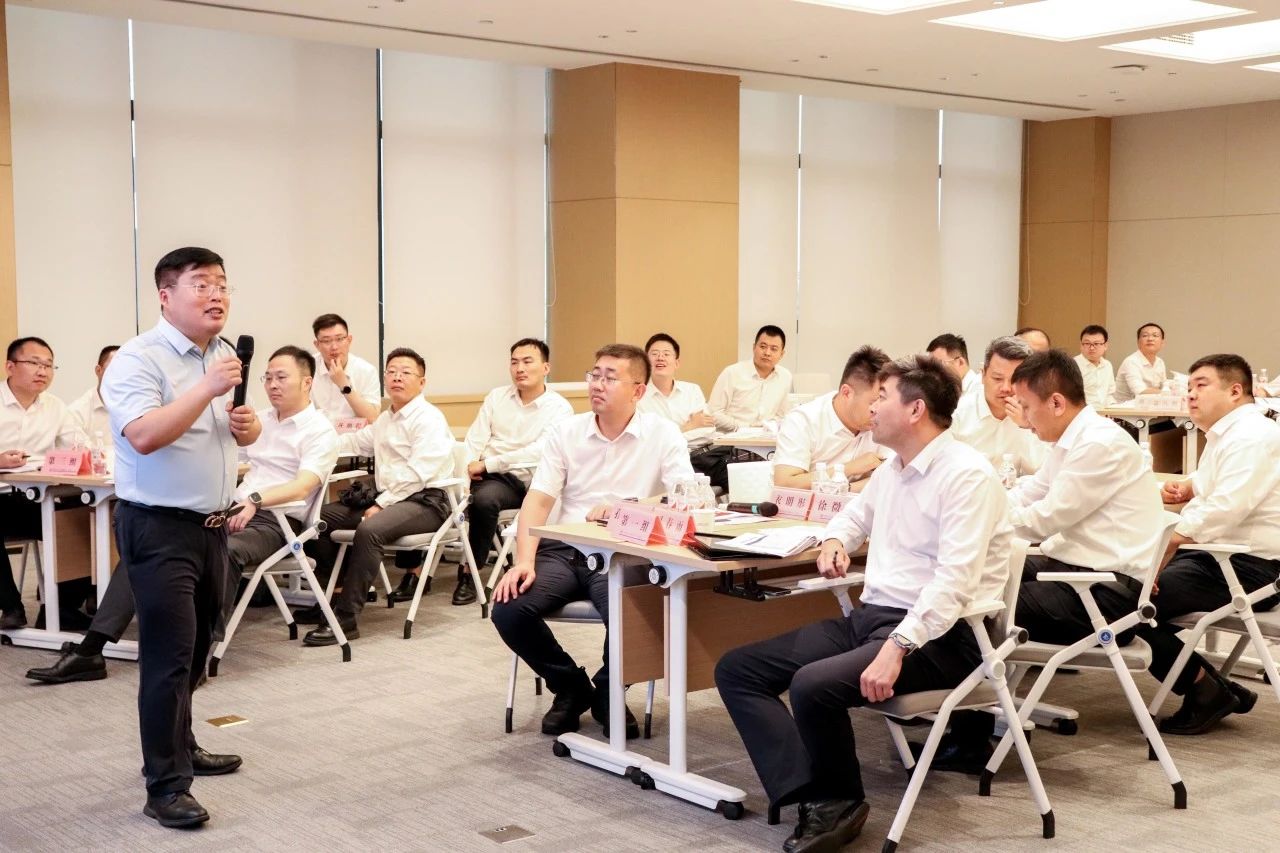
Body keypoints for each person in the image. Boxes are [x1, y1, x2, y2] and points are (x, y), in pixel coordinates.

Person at [714, 354, 1012, 853]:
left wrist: (897, 647)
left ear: (915, 410)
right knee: (738, 669)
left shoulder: (967, 475)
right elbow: (853, 518)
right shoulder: (893, 469)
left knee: (812, 685)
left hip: (941, 636)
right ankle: (813, 795)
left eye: (883, 397)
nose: (872, 407)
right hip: (874, 618)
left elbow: (954, 584)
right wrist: (835, 540)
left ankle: (840, 801)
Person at [27, 346, 339, 686]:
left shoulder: (319, 430)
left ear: (307, 382)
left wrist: (255, 499)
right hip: (230, 510)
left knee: (226, 552)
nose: (273, 385)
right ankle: (91, 649)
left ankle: (198, 654)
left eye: (282, 377)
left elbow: (303, 486)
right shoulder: (257, 419)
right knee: (150, 544)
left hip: (277, 523)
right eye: (268, 377)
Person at [931, 349, 1165, 772]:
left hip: (1104, 592)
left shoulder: (1098, 444)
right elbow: (1030, 493)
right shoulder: (1072, 439)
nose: (1022, 417)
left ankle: (969, 735)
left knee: (974, 608)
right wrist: (977, 506)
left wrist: (979, 521)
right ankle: (962, 716)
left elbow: (1045, 519)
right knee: (969, 584)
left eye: (1026, 406)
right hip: (1078, 572)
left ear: (1056, 402)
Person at [100, 246, 262, 828]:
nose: (216, 294)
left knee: (197, 650)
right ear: (166, 296)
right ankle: (165, 786)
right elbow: (144, 436)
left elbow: (228, 436)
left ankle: (182, 743)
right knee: (167, 658)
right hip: (158, 526)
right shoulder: (137, 360)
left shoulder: (221, 354)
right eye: (201, 284)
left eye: (222, 283)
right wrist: (206, 391)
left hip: (213, 527)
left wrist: (248, 426)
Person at [491, 344, 692, 739]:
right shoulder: (567, 432)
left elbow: (684, 498)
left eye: (610, 378)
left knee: (632, 613)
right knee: (509, 609)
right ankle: (570, 687)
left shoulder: (662, 433)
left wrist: (626, 508)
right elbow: (538, 501)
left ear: (638, 390)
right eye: (594, 374)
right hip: (565, 549)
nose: (597, 384)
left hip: (624, 552)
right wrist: (523, 561)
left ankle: (609, 691)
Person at [1142, 354, 1280, 735]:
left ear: (1235, 391)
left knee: (1124, 604)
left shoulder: (1252, 436)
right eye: (1188, 387)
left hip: (1246, 568)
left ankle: (1205, 688)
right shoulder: (1229, 433)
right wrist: (1189, 486)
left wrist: (1170, 542)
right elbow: (1219, 487)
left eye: (1201, 386)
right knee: (1121, 592)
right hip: (1219, 558)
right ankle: (1215, 685)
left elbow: (1227, 507)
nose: (1190, 394)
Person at [300, 347, 454, 645]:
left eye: (405, 372)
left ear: (422, 382)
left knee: (370, 530)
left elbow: (418, 473)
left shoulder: (428, 418)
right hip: (391, 499)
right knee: (316, 520)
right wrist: (313, 445)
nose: (397, 377)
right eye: (391, 371)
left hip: (426, 501)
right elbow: (353, 443)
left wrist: (382, 503)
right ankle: (337, 594)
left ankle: (346, 619)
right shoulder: (386, 419)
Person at [444, 338, 572, 607]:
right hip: (486, 475)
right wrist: (464, 480)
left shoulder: (559, 408)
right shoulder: (497, 397)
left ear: (546, 367)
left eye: (527, 361)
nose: (519, 368)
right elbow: (474, 440)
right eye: (514, 362)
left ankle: (469, 572)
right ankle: (418, 571)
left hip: (526, 482)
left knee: (484, 501)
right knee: (453, 494)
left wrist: (489, 464)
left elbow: (539, 451)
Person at [0, 336, 87, 630]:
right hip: (1, 498)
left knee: (85, 523)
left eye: (49, 365)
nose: (43, 371)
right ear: (10, 367)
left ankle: (59, 609)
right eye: (34, 363)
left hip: (38, 499)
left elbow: (79, 447)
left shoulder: (56, 407)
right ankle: (11, 606)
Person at [772, 345, 889, 492]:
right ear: (846, 393)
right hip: (805, 506)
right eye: (873, 402)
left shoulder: (884, 419)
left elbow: (890, 477)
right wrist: (847, 469)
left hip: (856, 504)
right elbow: (785, 483)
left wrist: (845, 489)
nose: (879, 410)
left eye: (884, 401)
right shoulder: (803, 421)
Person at [702, 325, 793, 489]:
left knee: (788, 476)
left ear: (782, 354)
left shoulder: (785, 377)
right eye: (763, 346)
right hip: (732, 448)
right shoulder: (732, 373)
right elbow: (713, 413)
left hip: (768, 449)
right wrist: (743, 428)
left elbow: (783, 416)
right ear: (754, 347)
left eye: (774, 349)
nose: (767, 352)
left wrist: (769, 428)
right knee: (757, 485)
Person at [949, 336, 1048, 476]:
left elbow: (1040, 471)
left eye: (1014, 380)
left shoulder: (1035, 412)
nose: (1006, 388)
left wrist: (1027, 425)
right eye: (997, 378)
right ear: (983, 375)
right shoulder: (958, 414)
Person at [638, 332, 719, 464]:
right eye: (654, 354)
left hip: (702, 456)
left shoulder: (692, 390)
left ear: (677, 363)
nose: (660, 358)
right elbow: (649, 441)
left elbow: (707, 431)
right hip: (661, 461)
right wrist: (688, 427)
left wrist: (669, 435)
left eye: (666, 354)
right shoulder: (638, 396)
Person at [309, 313, 381, 423]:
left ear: (349, 340)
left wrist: (344, 385)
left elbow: (373, 418)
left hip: (354, 433)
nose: (334, 347)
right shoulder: (307, 367)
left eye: (339, 339)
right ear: (317, 345)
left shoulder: (367, 371)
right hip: (317, 432)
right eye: (326, 341)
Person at [67, 345, 118, 441]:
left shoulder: (138, 407)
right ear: (98, 370)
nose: (122, 375)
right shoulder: (77, 412)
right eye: (115, 369)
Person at [1114, 322, 1168, 403]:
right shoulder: (1131, 361)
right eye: (1145, 335)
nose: (1150, 339)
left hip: (1147, 407)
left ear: (1162, 343)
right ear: (1138, 342)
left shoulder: (1160, 362)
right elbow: (1140, 391)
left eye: (1155, 335)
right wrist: (1168, 393)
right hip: (1124, 409)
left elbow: (1165, 386)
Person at [1075, 324, 1115, 409]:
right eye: (1087, 343)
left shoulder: (1107, 365)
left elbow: (1110, 394)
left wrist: (1112, 410)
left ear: (1105, 346)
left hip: (1105, 413)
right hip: (1082, 413)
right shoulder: (1073, 365)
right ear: (1081, 345)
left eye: (1096, 343)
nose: (1092, 348)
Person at [927, 332, 979, 398]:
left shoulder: (980, 391)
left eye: (938, 365)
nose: (933, 373)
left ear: (960, 362)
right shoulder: (949, 390)